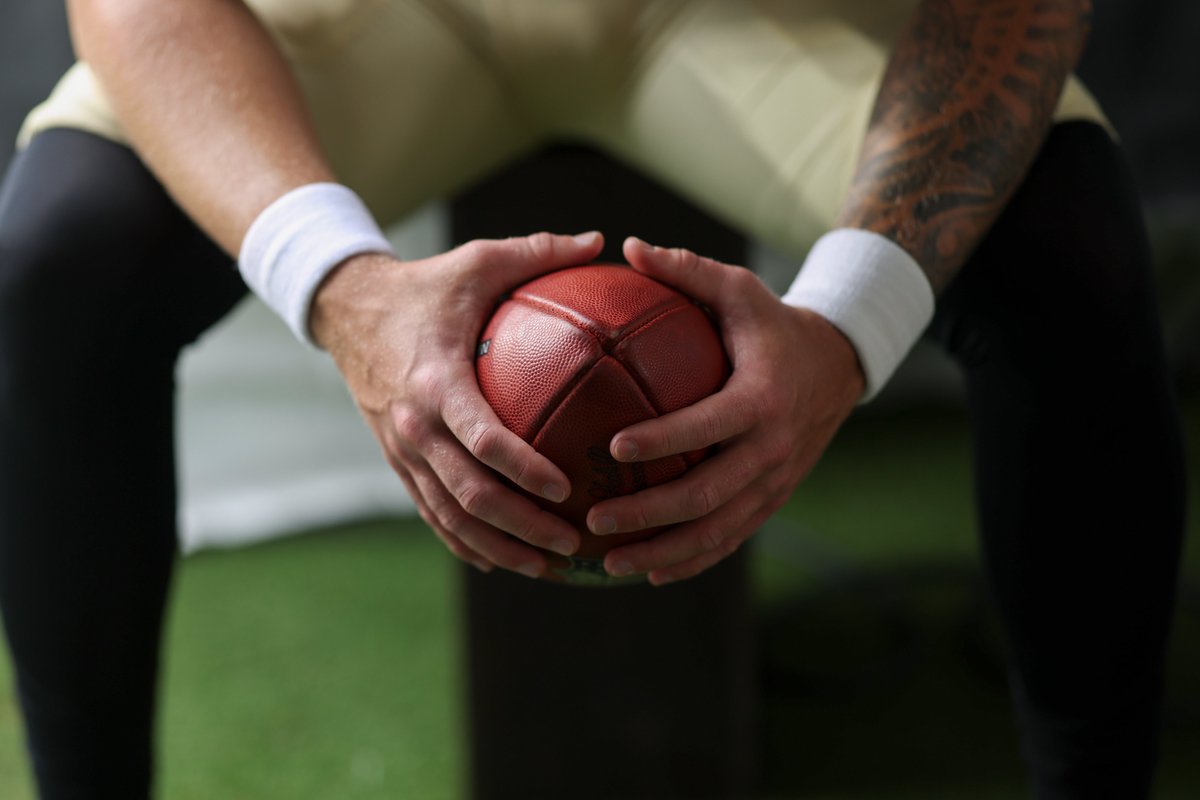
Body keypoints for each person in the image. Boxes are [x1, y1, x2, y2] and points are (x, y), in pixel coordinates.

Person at [0, 0, 1185, 797]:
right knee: (62, 255)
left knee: (1067, 248)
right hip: (395, 20)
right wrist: (342, 288)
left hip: (754, 21)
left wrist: (849, 324)